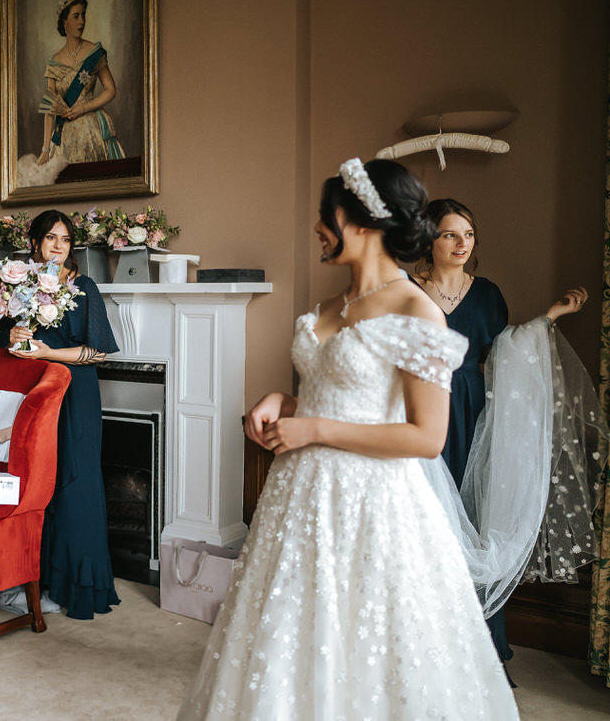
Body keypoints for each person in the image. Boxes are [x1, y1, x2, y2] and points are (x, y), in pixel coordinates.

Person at [178, 159, 517, 719]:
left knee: (369, 649)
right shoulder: (331, 308)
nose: (317, 228)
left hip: (373, 504)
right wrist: (281, 404)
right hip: (299, 500)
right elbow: (331, 394)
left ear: (364, 221)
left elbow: (427, 436)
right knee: (286, 640)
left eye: (325, 216)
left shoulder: (416, 311)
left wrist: (311, 428)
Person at [413, 197, 588, 665]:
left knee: (472, 517)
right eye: (450, 234)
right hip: (417, 408)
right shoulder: (405, 287)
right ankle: (423, 640)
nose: (461, 243)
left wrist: (550, 316)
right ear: (429, 239)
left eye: (468, 234)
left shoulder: (486, 293)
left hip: (471, 413)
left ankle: (477, 644)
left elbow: (505, 350)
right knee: (423, 519)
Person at [0, 209, 121, 620]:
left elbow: (96, 352)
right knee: (32, 485)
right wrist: (13, 335)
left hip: (75, 396)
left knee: (72, 485)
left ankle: (69, 588)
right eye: (50, 238)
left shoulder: (84, 288)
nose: (58, 246)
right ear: (36, 243)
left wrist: (49, 353)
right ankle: (28, 580)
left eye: (65, 239)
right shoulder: (16, 284)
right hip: (31, 394)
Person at [35, 0, 125, 168]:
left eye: (83, 15)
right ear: (64, 21)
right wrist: (45, 150)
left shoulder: (93, 52)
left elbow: (111, 90)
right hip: (64, 135)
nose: (81, 22)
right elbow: (50, 108)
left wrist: (83, 108)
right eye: (76, 16)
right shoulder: (54, 61)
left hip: (92, 129)